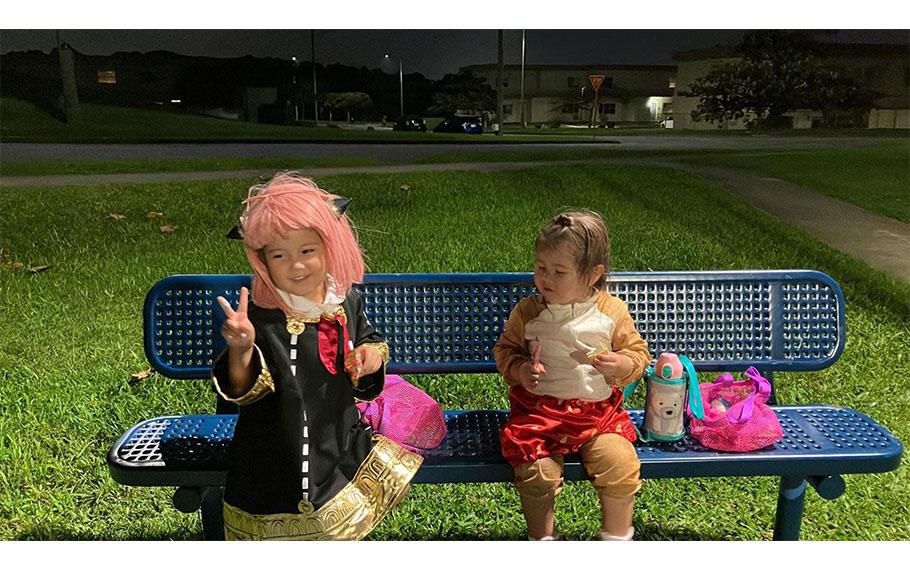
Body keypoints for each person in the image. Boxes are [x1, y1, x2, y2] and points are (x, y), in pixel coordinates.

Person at [213, 172, 422, 540]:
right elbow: (241, 388)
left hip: (338, 445)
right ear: (262, 260)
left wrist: (369, 357)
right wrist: (242, 348)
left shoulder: (343, 301)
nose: (296, 266)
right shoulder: (260, 318)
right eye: (280, 255)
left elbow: (370, 339)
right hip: (272, 457)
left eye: (307, 251)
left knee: (337, 525)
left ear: (331, 246)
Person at [494, 211, 651, 541]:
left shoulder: (611, 312)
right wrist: (521, 369)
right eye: (540, 267)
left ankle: (617, 538)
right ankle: (543, 540)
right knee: (537, 472)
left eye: (559, 272)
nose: (545, 278)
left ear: (593, 274)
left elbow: (638, 355)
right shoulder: (529, 312)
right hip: (539, 414)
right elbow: (505, 351)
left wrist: (622, 365)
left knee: (620, 464)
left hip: (598, 416)